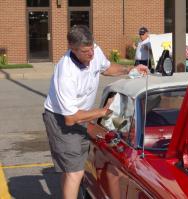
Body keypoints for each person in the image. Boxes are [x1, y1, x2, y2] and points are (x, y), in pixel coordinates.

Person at [42, 25, 148, 199]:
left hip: (80, 116)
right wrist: (103, 111)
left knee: (70, 169)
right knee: (75, 172)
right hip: (61, 119)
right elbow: (70, 118)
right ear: (73, 49)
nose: (91, 54)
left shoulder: (94, 51)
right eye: (86, 51)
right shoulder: (66, 73)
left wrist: (129, 70)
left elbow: (106, 68)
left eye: (92, 48)